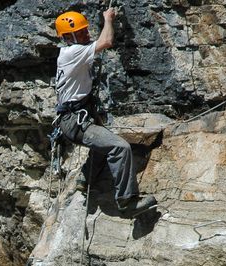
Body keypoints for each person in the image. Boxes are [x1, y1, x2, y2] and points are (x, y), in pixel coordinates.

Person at [54, 9, 157, 217]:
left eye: (85, 31)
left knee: (103, 140)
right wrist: (108, 19)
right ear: (68, 37)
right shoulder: (72, 52)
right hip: (75, 121)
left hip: (75, 118)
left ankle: (86, 178)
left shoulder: (72, 52)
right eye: (82, 33)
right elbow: (107, 41)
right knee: (120, 147)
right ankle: (127, 201)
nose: (87, 35)